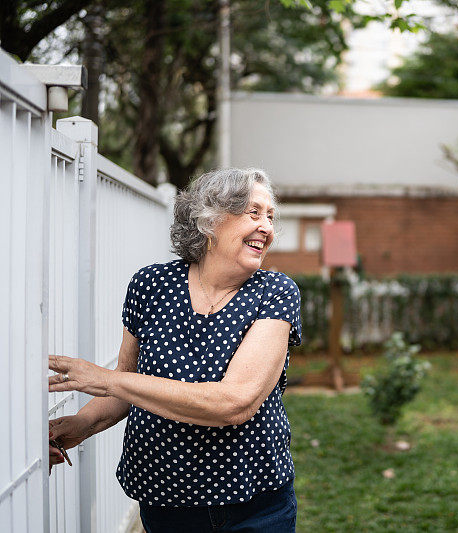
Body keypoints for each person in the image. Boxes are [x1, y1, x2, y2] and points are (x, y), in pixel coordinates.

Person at [48, 168, 302, 532]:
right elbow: (127, 384)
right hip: (164, 503)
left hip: (255, 506)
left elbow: (235, 402)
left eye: (271, 217)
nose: (268, 227)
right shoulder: (151, 285)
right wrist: (81, 425)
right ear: (209, 220)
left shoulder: (275, 292)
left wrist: (107, 381)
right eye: (254, 213)